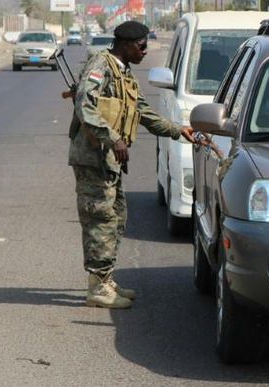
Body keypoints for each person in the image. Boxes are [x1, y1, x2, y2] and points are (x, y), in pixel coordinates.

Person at [68, 20, 196, 309]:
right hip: (93, 158)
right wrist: (114, 139)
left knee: (116, 216)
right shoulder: (100, 66)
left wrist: (178, 130)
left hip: (108, 160)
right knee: (101, 220)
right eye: (141, 46)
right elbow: (84, 105)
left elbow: (143, 111)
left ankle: (104, 278)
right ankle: (98, 288)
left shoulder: (123, 73)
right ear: (126, 45)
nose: (145, 51)